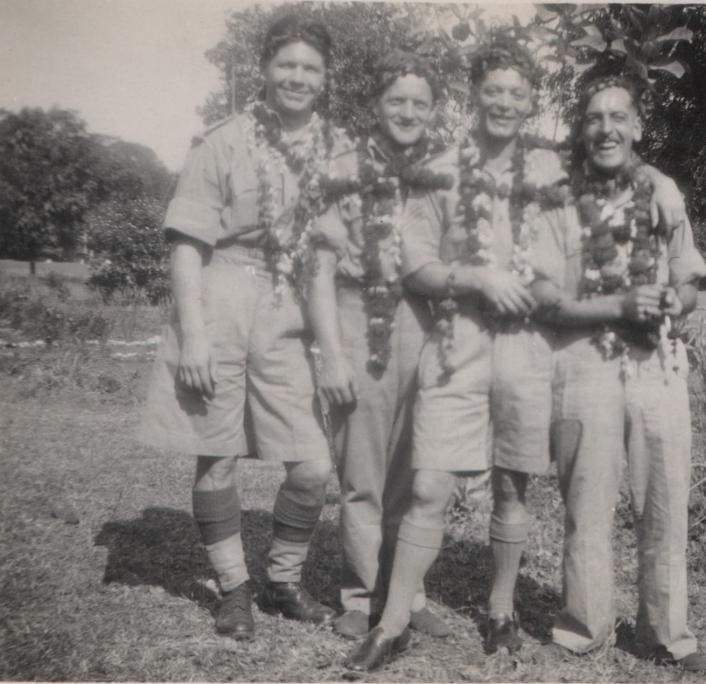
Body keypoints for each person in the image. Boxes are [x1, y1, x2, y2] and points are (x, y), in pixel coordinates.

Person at [342, 36, 572, 672]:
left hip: (527, 346)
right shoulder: (440, 166)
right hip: (456, 342)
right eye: (492, 89)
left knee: (512, 483)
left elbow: (569, 261)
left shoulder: (553, 174)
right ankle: (390, 624)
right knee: (430, 483)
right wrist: (474, 279)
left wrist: (540, 288)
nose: (503, 102)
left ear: (531, 102)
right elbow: (412, 262)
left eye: (516, 93)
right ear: (474, 94)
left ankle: (501, 612)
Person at [139, 15, 342, 641]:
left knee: (312, 465)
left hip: (290, 311)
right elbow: (186, 246)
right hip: (221, 298)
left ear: (325, 77)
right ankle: (234, 588)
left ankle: (283, 579)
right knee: (217, 454)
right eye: (287, 65)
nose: (297, 78)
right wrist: (193, 334)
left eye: (310, 68)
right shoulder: (221, 142)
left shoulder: (339, 151)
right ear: (265, 69)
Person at [528, 72, 706, 673]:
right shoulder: (557, 198)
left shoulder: (664, 192)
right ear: (580, 130)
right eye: (593, 118)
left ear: (637, 126)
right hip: (583, 363)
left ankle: (665, 634)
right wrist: (618, 306)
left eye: (618, 118)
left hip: (656, 362)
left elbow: (689, 279)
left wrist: (672, 300)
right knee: (587, 504)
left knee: (664, 501)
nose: (606, 129)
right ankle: (584, 628)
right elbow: (545, 300)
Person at [308, 51, 453, 641]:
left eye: (420, 103)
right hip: (355, 315)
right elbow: (317, 270)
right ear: (376, 105)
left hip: (422, 321)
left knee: (412, 468)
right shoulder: (339, 167)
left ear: (434, 111)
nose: (408, 112)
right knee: (362, 470)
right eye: (397, 100)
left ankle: (407, 592)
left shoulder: (445, 172)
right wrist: (332, 354)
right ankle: (360, 594)